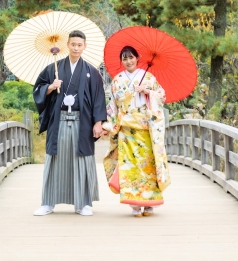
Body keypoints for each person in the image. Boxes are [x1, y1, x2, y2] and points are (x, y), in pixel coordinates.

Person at [32, 30, 107, 216]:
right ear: (67, 45)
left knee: (82, 159)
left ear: (84, 46)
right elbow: (38, 89)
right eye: (73, 44)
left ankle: (83, 203)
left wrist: (98, 122)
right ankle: (48, 203)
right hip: (59, 120)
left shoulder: (91, 72)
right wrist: (51, 87)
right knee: (55, 158)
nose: (76, 48)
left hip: (83, 122)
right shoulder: (53, 69)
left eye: (79, 45)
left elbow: (99, 98)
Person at [103, 45, 170, 217]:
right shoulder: (117, 80)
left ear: (137, 58)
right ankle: (134, 203)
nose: (128, 61)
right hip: (126, 130)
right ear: (121, 61)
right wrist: (108, 125)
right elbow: (112, 106)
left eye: (131, 57)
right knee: (129, 167)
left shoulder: (148, 77)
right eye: (124, 59)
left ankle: (149, 204)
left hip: (145, 128)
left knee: (148, 166)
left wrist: (147, 92)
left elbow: (162, 96)